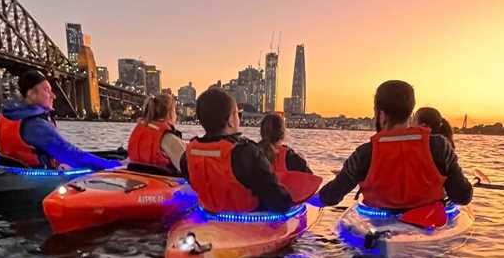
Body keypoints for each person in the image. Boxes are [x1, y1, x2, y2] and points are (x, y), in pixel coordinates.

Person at [312, 80, 472, 209]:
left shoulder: (365, 153)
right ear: (410, 111)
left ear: (380, 113)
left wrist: (301, 199)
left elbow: (330, 197)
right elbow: (462, 197)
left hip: (378, 226)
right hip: (429, 225)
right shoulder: (439, 146)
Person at [180, 88, 293, 213]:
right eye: (238, 114)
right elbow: (280, 203)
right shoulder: (247, 153)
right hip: (248, 223)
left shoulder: (187, 155)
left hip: (207, 219)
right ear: (230, 121)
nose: (239, 119)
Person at [0, 70, 120, 171]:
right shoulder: (34, 124)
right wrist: (114, 165)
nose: (53, 96)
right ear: (31, 94)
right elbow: (70, 154)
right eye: (47, 90)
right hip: (36, 181)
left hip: (13, 172)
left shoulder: (8, 115)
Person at [126, 93, 186, 173]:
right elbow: (186, 169)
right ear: (170, 113)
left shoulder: (140, 129)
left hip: (135, 176)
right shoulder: (168, 138)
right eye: (175, 110)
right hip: (162, 181)